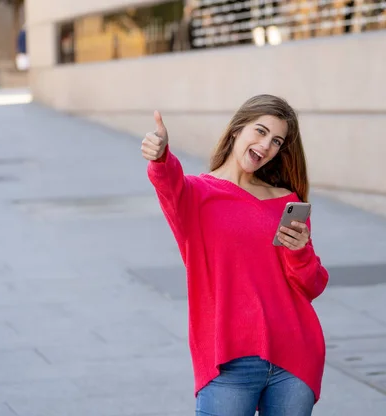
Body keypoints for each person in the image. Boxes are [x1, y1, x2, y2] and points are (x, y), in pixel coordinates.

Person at [141, 94, 329, 416]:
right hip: (228, 360)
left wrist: (299, 252)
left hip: (294, 357)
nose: (266, 145)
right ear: (237, 130)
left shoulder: (285, 201)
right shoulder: (196, 194)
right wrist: (160, 157)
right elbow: (168, 182)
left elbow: (311, 285)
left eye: (277, 141)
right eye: (260, 131)